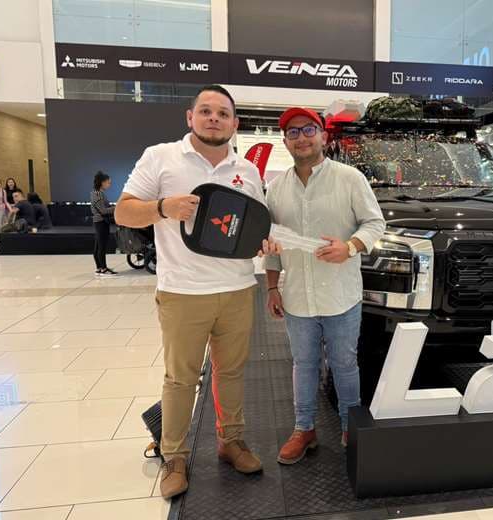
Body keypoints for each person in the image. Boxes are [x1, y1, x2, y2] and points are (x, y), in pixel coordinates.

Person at [115, 84, 268, 499]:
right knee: (180, 379)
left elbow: (253, 227)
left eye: (223, 113)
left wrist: (264, 243)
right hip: (183, 291)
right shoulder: (160, 157)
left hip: (238, 288)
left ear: (235, 124)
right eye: (206, 111)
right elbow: (123, 211)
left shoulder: (247, 170)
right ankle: (175, 456)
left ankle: (231, 441)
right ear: (190, 117)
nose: (214, 118)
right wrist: (162, 208)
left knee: (231, 371)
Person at [261, 107, 385, 465]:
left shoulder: (350, 178)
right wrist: (272, 287)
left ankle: (349, 426)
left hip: (341, 295)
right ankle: (304, 429)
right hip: (297, 296)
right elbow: (271, 243)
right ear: (285, 141)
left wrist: (350, 247)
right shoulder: (276, 189)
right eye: (293, 132)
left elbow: (374, 223)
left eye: (308, 130)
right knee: (304, 364)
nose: (301, 137)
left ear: (323, 136)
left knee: (345, 364)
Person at [91, 172, 117, 277]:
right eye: (108, 182)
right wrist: (116, 207)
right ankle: (103, 269)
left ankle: (99, 267)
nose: (109, 185)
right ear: (102, 182)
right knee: (101, 246)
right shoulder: (98, 194)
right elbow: (103, 210)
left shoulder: (97, 193)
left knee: (98, 245)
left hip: (100, 221)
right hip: (101, 222)